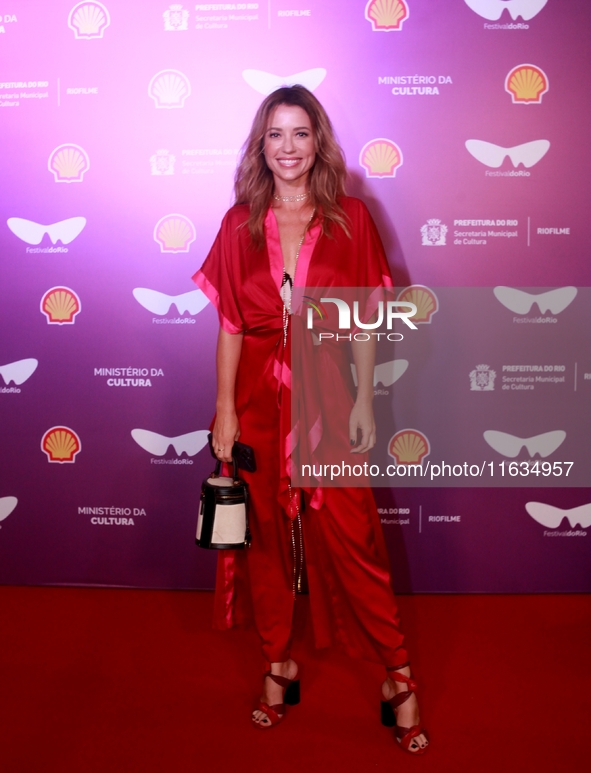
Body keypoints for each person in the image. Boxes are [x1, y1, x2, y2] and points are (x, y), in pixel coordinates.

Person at [192, 85, 428, 754]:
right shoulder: (238, 223)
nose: (288, 147)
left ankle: (396, 672)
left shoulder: (350, 216)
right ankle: (278, 664)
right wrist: (222, 412)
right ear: (259, 145)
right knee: (265, 540)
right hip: (257, 409)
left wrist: (361, 400)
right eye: (275, 134)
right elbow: (232, 325)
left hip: (327, 399)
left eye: (299, 133)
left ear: (317, 141)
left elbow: (361, 319)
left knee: (353, 536)